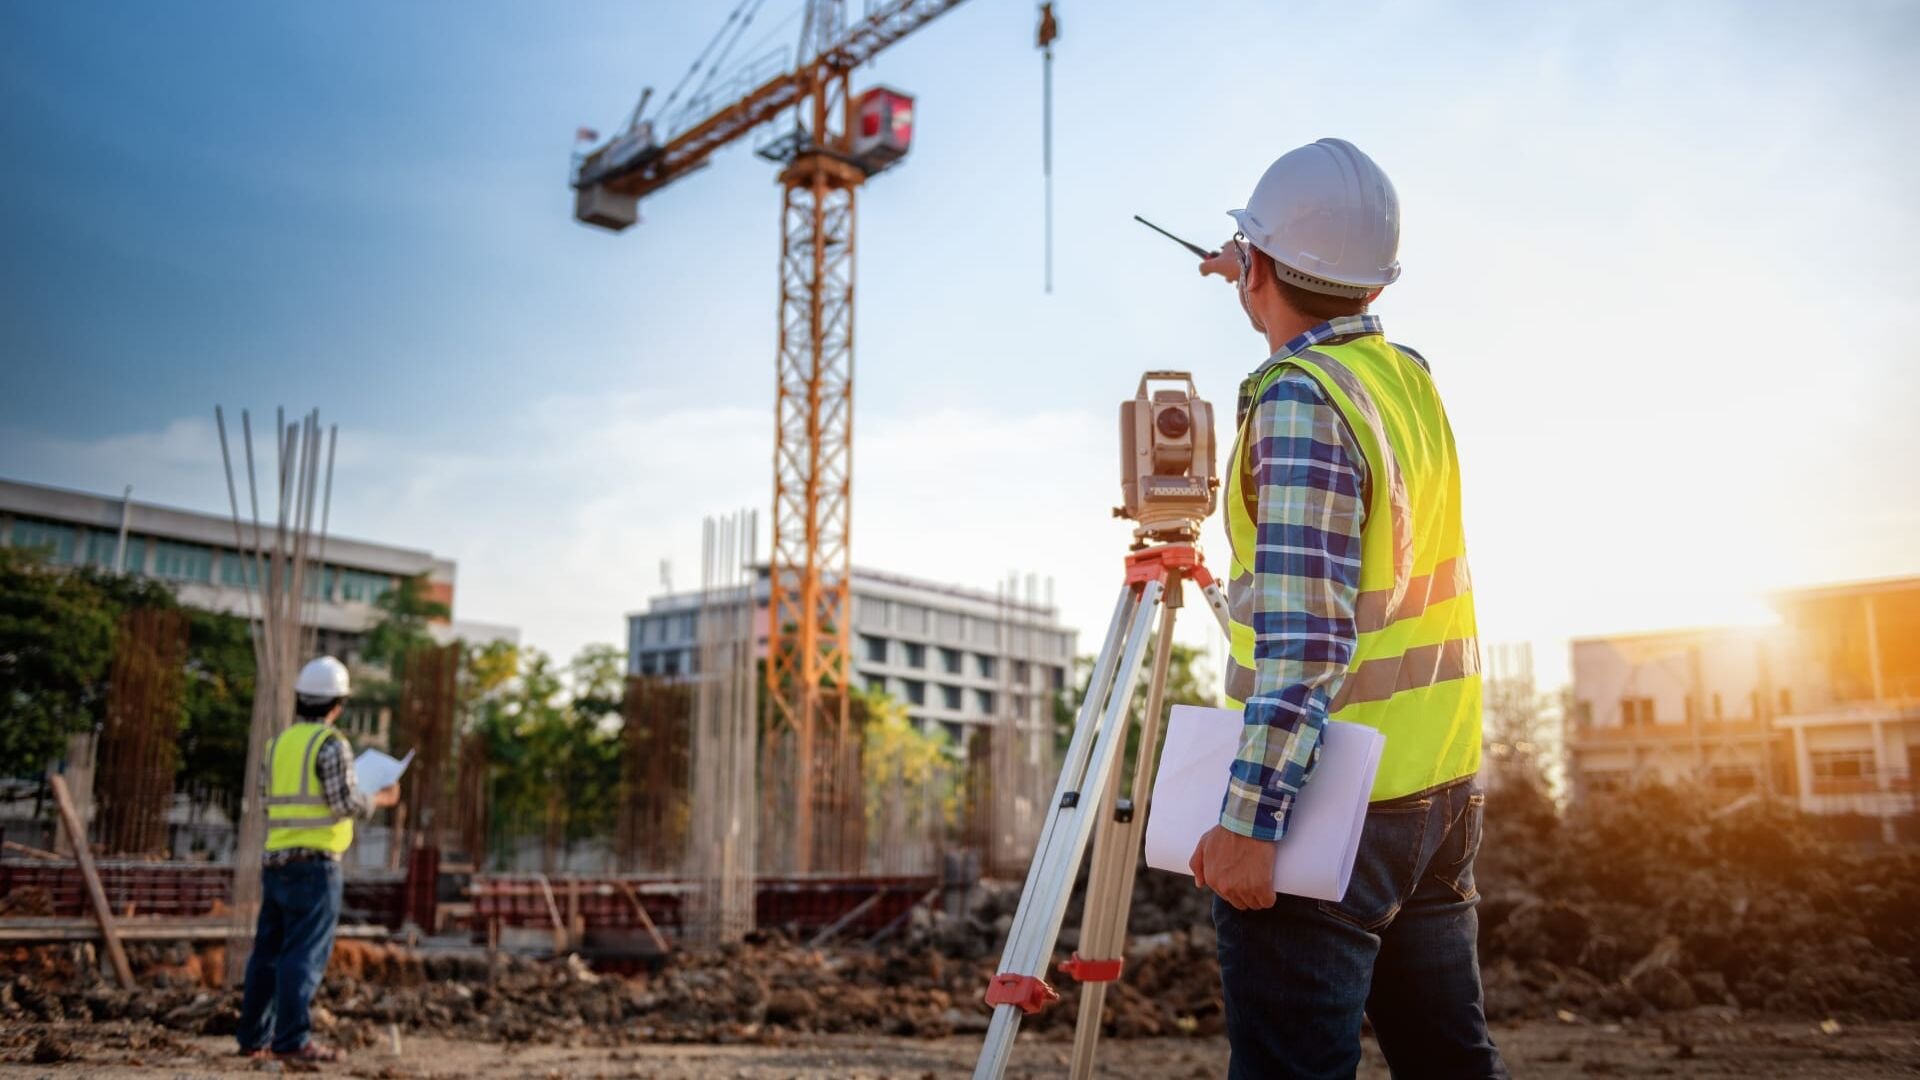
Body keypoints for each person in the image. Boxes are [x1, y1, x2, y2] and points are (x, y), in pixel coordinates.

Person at [1187, 138, 1508, 1078]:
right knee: (1451, 1065)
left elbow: (1308, 638)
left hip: (1331, 808)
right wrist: (1257, 273)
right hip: (1437, 792)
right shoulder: (1405, 380)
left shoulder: (1298, 402)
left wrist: (1249, 825)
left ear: (1259, 268)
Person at [235, 655, 400, 1063]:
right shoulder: (331, 745)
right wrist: (379, 797)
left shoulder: (277, 745)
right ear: (337, 704)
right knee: (303, 955)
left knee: (267, 953)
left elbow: (266, 797)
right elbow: (344, 801)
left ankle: (252, 1038)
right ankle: (291, 1040)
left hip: (276, 861)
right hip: (315, 866)